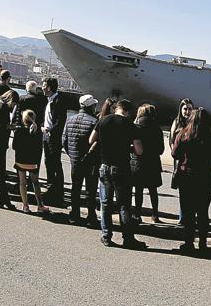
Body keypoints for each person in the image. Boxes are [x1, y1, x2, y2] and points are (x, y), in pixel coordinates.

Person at [89, 99, 146, 249]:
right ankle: (128, 238)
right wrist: (129, 148)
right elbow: (139, 150)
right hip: (121, 167)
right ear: (127, 111)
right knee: (124, 205)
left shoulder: (103, 120)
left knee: (105, 203)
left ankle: (106, 236)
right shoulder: (130, 125)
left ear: (117, 108)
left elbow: (91, 140)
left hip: (104, 165)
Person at [172, 107, 211, 252]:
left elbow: (175, 154)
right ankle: (203, 242)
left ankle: (188, 242)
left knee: (187, 211)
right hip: (205, 177)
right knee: (203, 211)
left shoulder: (183, 134)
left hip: (186, 176)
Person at [63, 94, 100, 226]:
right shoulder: (94, 122)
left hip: (75, 159)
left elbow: (64, 141)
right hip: (90, 161)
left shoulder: (70, 120)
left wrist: (72, 155)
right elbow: (97, 143)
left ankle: (74, 214)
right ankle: (91, 216)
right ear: (91, 106)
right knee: (90, 190)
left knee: (75, 188)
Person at [132, 104, 165, 223]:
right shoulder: (157, 129)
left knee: (138, 190)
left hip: (138, 162)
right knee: (153, 190)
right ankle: (155, 214)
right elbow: (161, 150)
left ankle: (137, 214)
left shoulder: (135, 127)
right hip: (153, 163)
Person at [12, 109, 49, 214]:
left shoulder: (18, 130)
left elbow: (14, 146)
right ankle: (40, 205)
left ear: (23, 120)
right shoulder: (37, 131)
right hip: (32, 162)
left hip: (20, 160)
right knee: (35, 183)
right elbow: (38, 149)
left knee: (22, 183)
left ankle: (25, 205)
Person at [41, 77, 67, 205]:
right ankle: (51, 189)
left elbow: (60, 121)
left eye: (44, 85)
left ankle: (57, 192)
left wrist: (50, 132)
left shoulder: (58, 101)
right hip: (47, 135)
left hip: (52, 137)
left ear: (49, 88)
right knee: (49, 162)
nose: (42, 87)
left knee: (55, 164)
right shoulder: (50, 100)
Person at [169, 98, 193, 224]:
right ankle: (182, 218)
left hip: (190, 160)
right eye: (185, 109)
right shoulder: (177, 122)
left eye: (189, 109)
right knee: (183, 191)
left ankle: (187, 218)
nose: (187, 111)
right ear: (181, 109)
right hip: (179, 160)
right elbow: (171, 140)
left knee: (190, 192)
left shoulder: (194, 123)